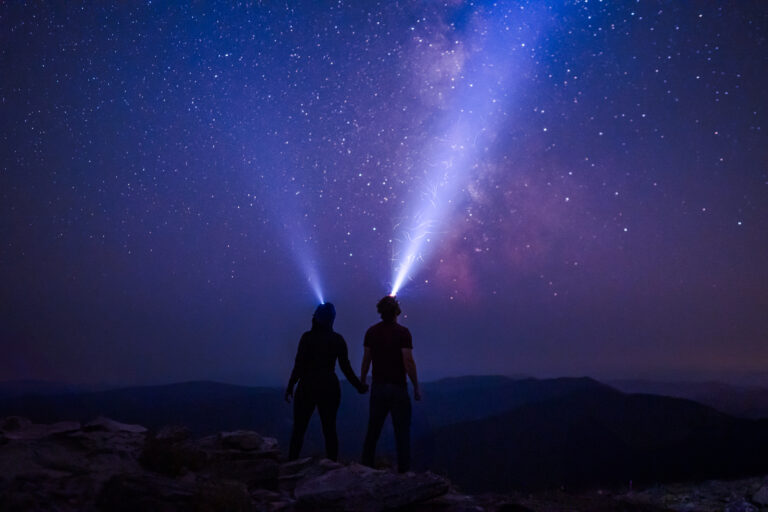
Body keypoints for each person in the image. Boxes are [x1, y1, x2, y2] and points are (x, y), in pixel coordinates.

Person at [286, 302, 368, 461]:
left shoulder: (307, 338)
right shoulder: (337, 340)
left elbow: (299, 364)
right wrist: (359, 386)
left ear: (316, 318)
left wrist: (291, 385)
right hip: (329, 386)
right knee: (329, 428)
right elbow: (346, 368)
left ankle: (291, 465)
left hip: (307, 386)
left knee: (299, 429)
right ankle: (332, 466)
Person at [360, 295, 421, 473]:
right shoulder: (403, 333)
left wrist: (363, 380)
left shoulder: (371, 332)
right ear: (396, 312)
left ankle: (365, 469)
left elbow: (366, 360)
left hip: (378, 387)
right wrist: (416, 386)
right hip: (398, 387)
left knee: (373, 430)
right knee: (402, 432)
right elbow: (408, 361)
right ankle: (404, 473)